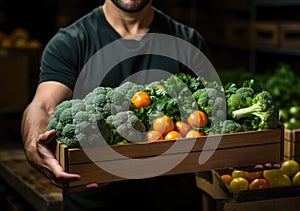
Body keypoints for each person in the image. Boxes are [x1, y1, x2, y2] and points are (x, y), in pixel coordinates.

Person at [21, 0, 209, 210]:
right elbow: (42, 106)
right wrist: (32, 144)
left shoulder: (188, 42)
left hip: (174, 201)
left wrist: (248, 152)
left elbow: (212, 121)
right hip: (93, 203)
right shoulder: (70, 42)